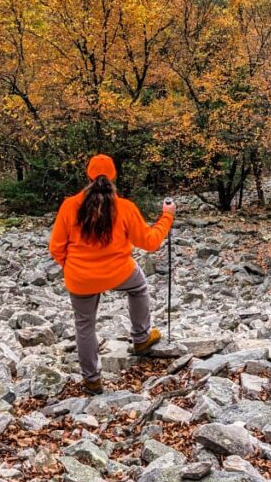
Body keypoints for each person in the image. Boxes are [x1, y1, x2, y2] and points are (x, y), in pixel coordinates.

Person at [49, 154, 176, 394]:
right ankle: (141, 338)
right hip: (118, 272)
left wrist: (72, 267)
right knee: (138, 287)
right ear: (114, 175)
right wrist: (167, 215)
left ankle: (92, 380)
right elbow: (150, 242)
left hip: (80, 278)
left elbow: (56, 248)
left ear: (88, 175)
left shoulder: (69, 206)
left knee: (84, 325)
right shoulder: (124, 207)